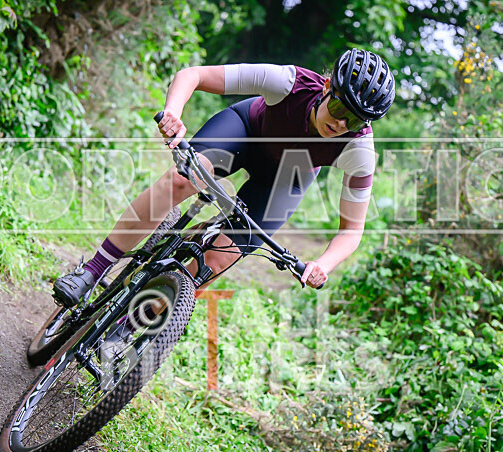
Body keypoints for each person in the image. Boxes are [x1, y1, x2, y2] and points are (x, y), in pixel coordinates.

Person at [52, 48, 395, 307]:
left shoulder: (359, 150)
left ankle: (129, 325)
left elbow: (352, 231)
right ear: (327, 86)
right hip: (246, 132)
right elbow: (193, 75)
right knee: (182, 181)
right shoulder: (288, 83)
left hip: (286, 176)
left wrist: (323, 264)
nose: (340, 124)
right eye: (339, 109)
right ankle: (93, 270)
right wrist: (173, 113)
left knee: (217, 259)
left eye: (353, 121)